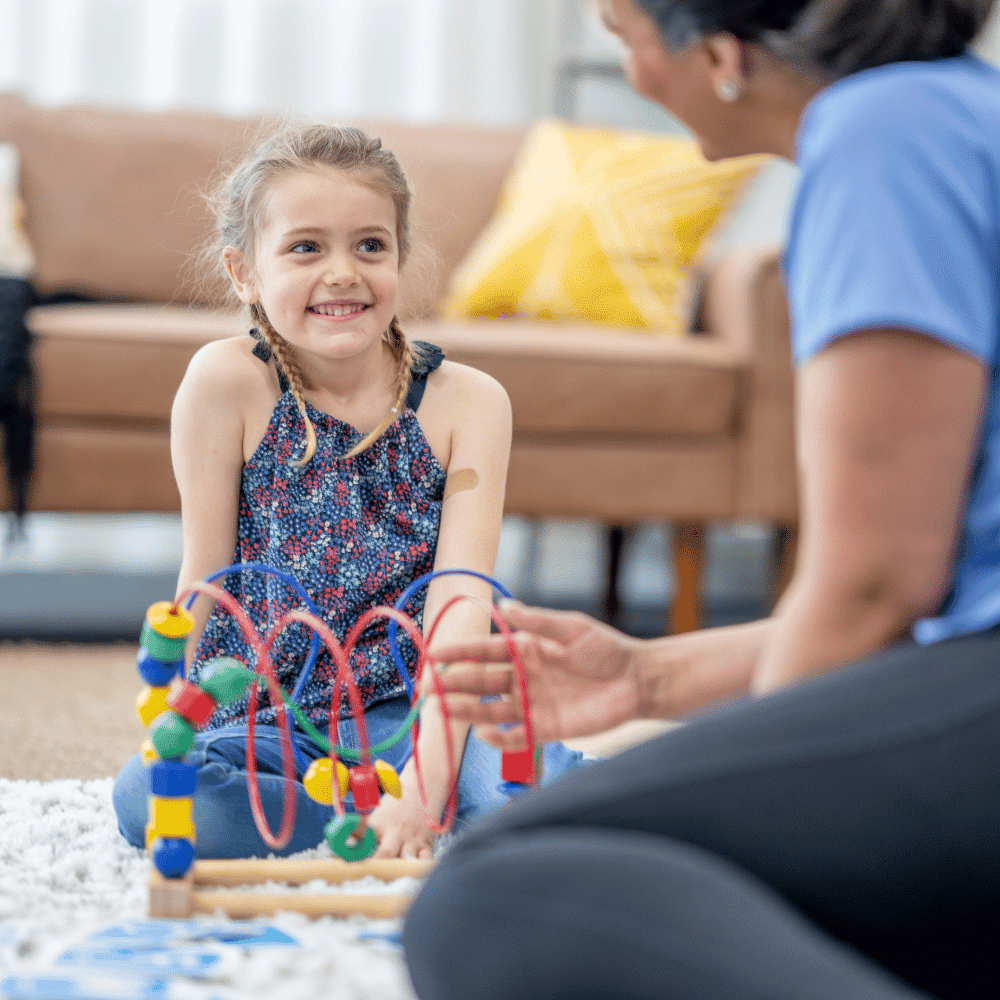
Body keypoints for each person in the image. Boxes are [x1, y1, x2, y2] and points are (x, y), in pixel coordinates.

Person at [403, 0, 1000, 996]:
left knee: (496, 887)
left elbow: (873, 591)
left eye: (627, 37)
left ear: (722, 55)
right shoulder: (958, 112)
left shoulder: (883, 134)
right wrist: (647, 680)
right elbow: (939, 616)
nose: (630, 73)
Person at [112, 123, 584, 861]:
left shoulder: (470, 403)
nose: (343, 273)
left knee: (532, 795)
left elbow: (462, 605)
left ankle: (420, 806)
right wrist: (174, 713)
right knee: (150, 797)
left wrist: (428, 785)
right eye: (306, 247)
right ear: (245, 273)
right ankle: (368, 819)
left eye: (370, 245)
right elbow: (204, 578)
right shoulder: (224, 383)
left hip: (425, 712)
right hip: (271, 719)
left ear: (399, 256)